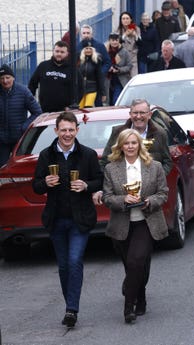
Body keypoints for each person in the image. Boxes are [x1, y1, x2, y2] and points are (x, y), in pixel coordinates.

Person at [32, 111, 102, 328]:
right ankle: (70, 304)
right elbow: (35, 186)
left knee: (74, 261)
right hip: (56, 219)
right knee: (63, 266)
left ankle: (72, 309)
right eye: (63, 130)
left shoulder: (87, 154)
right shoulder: (46, 155)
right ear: (56, 131)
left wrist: (86, 186)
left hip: (79, 219)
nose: (67, 134)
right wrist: (45, 182)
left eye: (71, 130)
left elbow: (99, 180)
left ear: (77, 131)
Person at [102, 129, 169, 323]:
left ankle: (128, 307)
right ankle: (141, 297)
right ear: (120, 146)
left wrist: (149, 201)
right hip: (122, 224)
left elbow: (163, 193)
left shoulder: (154, 166)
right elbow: (107, 198)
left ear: (139, 144)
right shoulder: (111, 168)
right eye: (126, 143)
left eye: (134, 143)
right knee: (136, 266)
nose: (130, 146)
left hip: (147, 222)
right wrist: (124, 199)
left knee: (135, 261)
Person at [28, 41, 74, 112]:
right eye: (57, 51)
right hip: (44, 110)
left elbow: (80, 89)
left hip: (65, 111)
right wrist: (31, 103)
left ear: (67, 53)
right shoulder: (43, 66)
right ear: (53, 51)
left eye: (62, 52)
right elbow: (32, 84)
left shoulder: (72, 69)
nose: (59, 54)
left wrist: (71, 106)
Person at [106, 32, 133, 105]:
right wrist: (108, 68)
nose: (114, 42)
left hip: (120, 80)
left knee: (116, 100)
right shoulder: (106, 52)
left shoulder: (124, 52)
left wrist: (119, 69)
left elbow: (129, 66)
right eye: (112, 40)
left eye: (116, 40)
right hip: (108, 80)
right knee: (109, 101)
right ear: (109, 41)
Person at [77, 42, 106, 109]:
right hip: (81, 89)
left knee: (88, 107)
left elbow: (99, 77)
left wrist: (103, 92)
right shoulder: (79, 60)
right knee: (80, 108)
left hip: (92, 88)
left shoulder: (96, 61)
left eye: (90, 48)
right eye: (86, 48)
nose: (88, 50)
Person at [116, 11, 140, 77]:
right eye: (123, 19)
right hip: (123, 59)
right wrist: (124, 35)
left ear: (131, 19)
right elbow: (116, 44)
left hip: (133, 58)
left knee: (133, 78)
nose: (125, 20)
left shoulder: (137, 29)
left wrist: (135, 36)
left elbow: (141, 44)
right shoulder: (118, 31)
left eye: (127, 18)